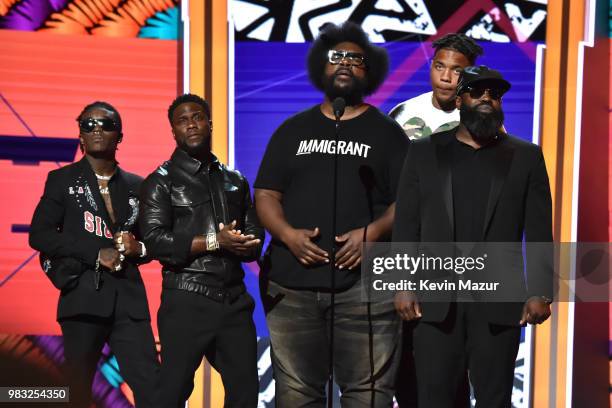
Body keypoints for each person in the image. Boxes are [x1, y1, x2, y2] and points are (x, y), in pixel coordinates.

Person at [254, 21, 409, 407]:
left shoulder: (388, 133)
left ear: (368, 71)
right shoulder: (293, 129)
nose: (344, 63)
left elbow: (408, 201)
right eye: (335, 56)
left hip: (366, 288)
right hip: (292, 286)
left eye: (354, 58)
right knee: (297, 394)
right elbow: (266, 194)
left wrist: (370, 233)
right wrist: (288, 235)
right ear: (320, 68)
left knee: (367, 395)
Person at [392, 66, 553, 407]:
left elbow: (539, 228)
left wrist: (541, 292)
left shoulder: (526, 155)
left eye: (494, 94)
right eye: (477, 91)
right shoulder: (423, 151)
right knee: (434, 398)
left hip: (498, 301)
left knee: (494, 398)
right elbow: (407, 224)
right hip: (434, 302)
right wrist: (402, 283)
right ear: (460, 99)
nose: (486, 99)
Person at [29, 101, 159, 407]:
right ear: (80, 137)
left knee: (153, 388)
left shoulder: (138, 186)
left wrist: (138, 248)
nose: (97, 129)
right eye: (88, 125)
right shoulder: (62, 180)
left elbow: (154, 242)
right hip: (83, 298)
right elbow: (40, 235)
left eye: (105, 124)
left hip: (129, 302)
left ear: (120, 135)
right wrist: (95, 253)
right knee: (76, 392)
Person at [139, 93, 263, 407]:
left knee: (245, 393)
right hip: (187, 298)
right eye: (182, 121)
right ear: (173, 131)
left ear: (209, 123)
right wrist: (213, 242)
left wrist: (249, 243)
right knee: (172, 391)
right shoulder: (160, 182)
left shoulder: (235, 180)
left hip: (234, 299)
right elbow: (154, 241)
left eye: (197, 117)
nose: (191, 125)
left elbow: (253, 232)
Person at [389, 33, 483, 139]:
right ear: (431, 65)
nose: (445, 77)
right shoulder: (403, 112)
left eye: (457, 71)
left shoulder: (482, 119)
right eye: (439, 67)